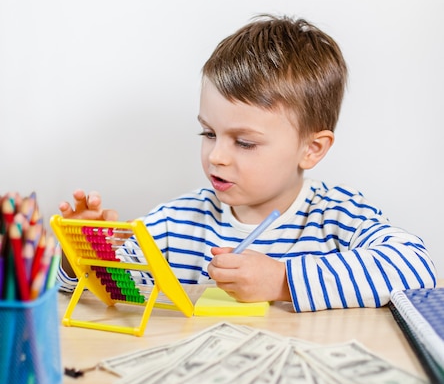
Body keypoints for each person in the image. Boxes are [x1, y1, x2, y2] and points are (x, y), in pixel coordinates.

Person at [57, 15, 437, 311]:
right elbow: (109, 290)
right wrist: (83, 252)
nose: (216, 156)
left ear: (312, 149)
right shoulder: (178, 222)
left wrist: (283, 280)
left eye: (244, 142)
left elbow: (416, 270)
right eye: (208, 134)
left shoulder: (336, 216)